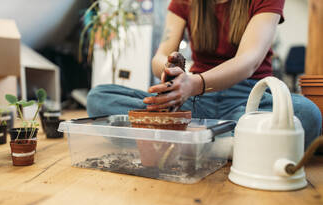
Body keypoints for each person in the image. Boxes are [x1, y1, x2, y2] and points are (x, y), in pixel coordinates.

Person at [87, 0, 321, 149]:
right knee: (99, 97)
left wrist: (196, 83)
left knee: (308, 114)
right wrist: (170, 71)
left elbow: (248, 61)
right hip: (195, 101)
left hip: (249, 100)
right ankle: (230, 143)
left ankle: (186, 138)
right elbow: (160, 57)